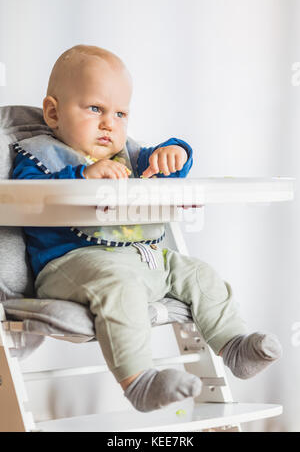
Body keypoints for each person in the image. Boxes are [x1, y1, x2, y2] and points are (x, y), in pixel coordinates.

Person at [12, 45, 282, 412]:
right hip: (75, 266)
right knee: (117, 285)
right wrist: (81, 175)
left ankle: (233, 345)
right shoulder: (38, 155)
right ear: (53, 112)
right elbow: (25, 196)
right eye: (95, 108)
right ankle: (139, 381)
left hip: (149, 260)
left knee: (200, 274)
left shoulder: (131, 156)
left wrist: (175, 154)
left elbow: (169, 160)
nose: (110, 123)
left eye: (120, 113)